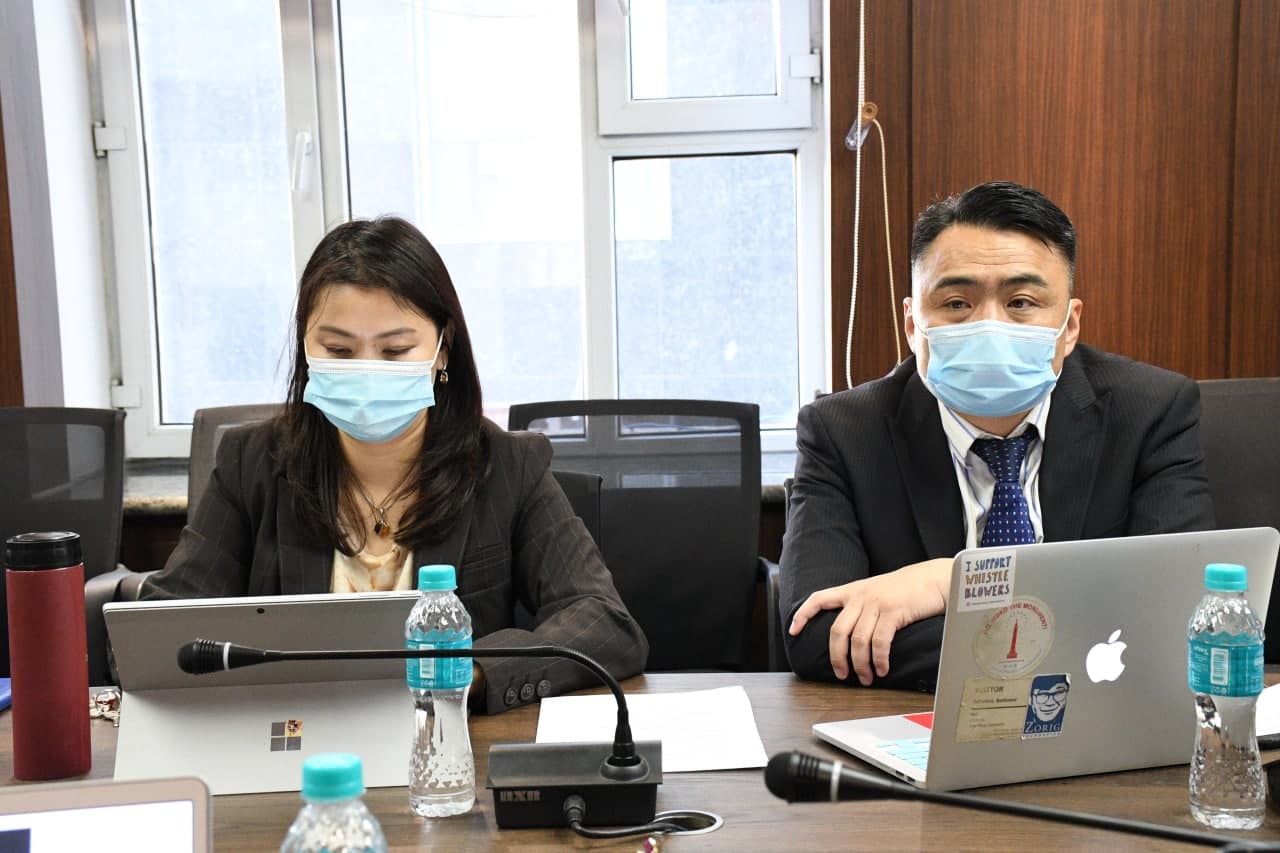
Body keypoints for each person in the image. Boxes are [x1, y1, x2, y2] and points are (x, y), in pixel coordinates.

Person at [142, 216, 649, 713]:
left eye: (396, 350)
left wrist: (471, 671)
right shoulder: (250, 463)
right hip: (292, 740)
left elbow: (605, 624)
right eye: (338, 350)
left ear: (442, 350)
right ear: (306, 347)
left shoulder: (506, 466)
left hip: (448, 744)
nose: (367, 370)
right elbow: (158, 633)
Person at [780, 181, 1214, 691]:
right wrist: (1074, 636)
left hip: (1100, 722)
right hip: (917, 725)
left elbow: (1180, 609)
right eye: (957, 303)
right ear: (913, 325)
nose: (989, 326)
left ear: (1070, 325)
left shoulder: (1151, 412)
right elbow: (817, 633)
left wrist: (958, 583)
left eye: (1021, 302)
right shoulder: (842, 433)